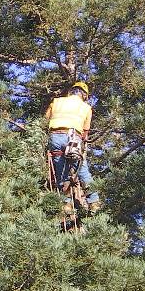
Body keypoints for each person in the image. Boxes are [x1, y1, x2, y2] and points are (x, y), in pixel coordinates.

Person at [44, 82, 101, 214]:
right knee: (82, 170)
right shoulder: (86, 108)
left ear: (71, 91)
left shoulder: (56, 102)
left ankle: (66, 204)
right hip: (73, 137)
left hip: (55, 138)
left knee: (61, 172)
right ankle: (94, 202)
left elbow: (45, 120)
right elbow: (85, 132)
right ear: (84, 95)